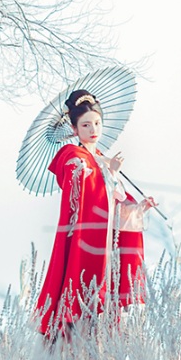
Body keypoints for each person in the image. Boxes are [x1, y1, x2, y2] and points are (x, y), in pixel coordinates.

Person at [36, 89, 157, 337]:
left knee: (106, 306)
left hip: (107, 245)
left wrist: (138, 208)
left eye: (97, 123)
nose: (94, 130)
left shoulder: (101, 158)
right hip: (86, 241)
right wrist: (110, 175)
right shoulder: (72, 157)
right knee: (83, 298)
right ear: (74, 129)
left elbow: (115, 207)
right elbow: (82, 196)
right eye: (86, 124)